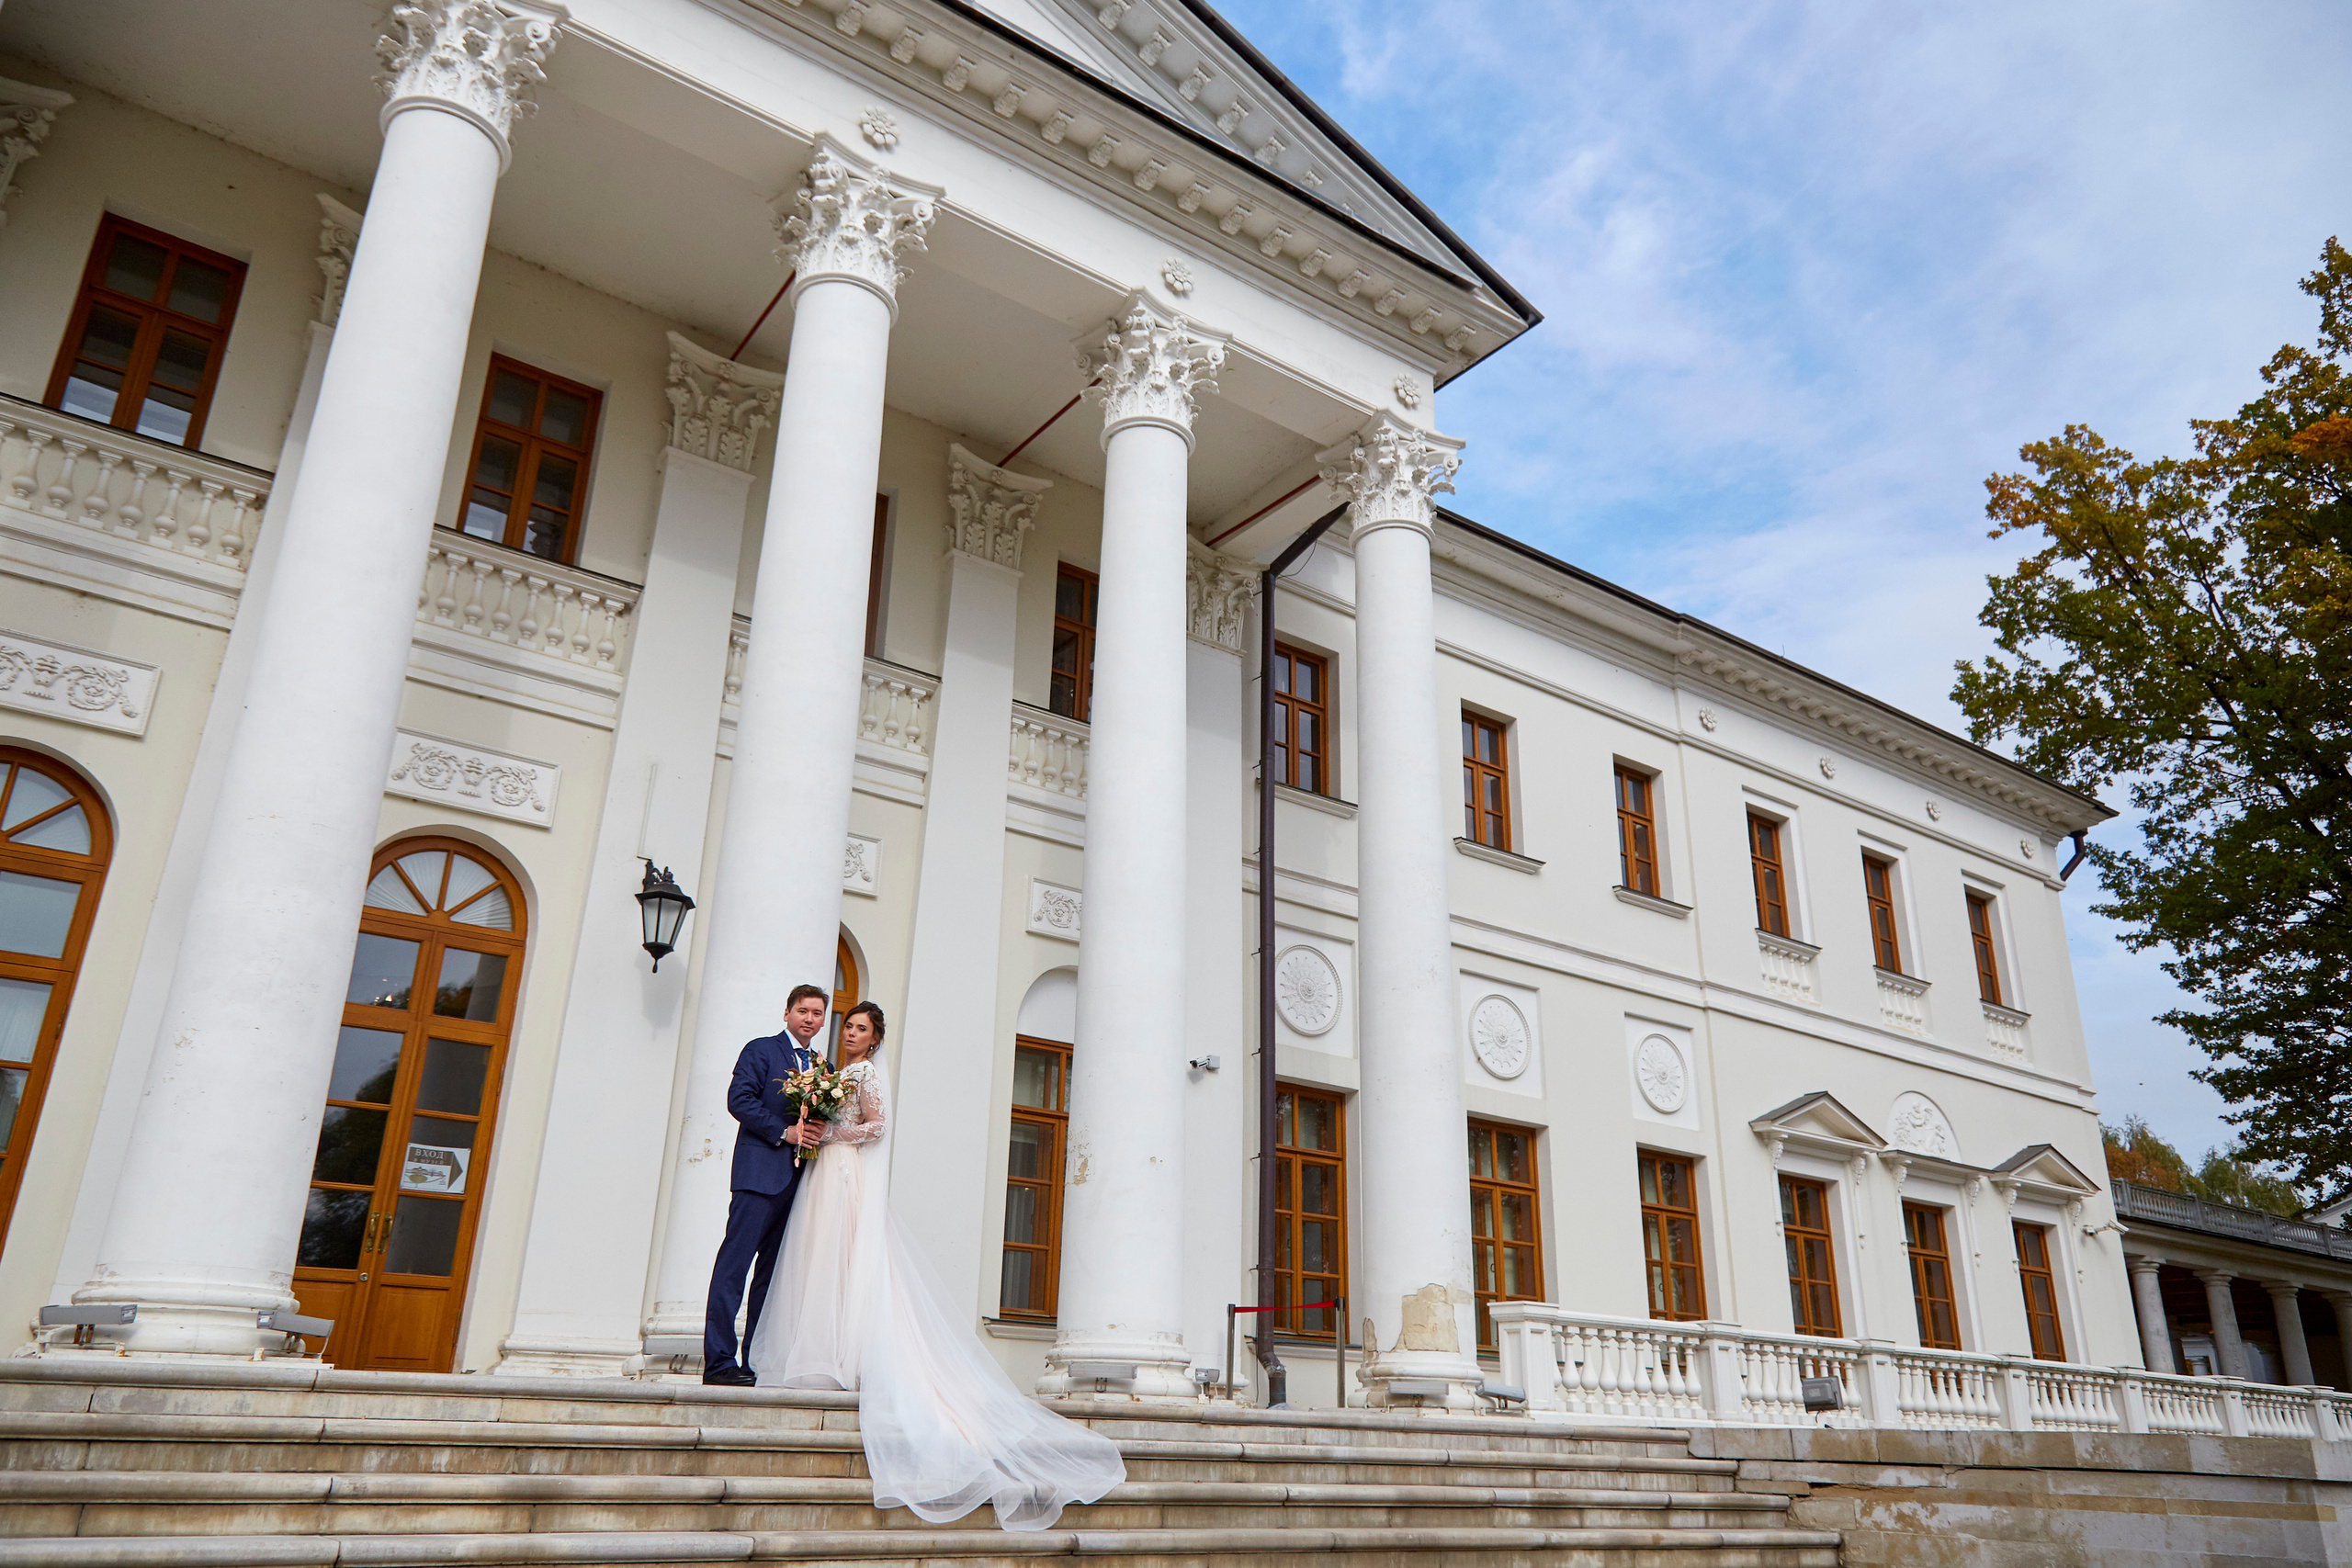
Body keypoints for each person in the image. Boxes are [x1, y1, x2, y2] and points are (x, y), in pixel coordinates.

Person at [750, 1001, 1125, 1530]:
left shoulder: (860, 1074)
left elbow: (876, 1126)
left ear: (874, 1041)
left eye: (860, 1029)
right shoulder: (830, 1073)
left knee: (840, 1256)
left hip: (841, 1172)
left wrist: (830, 1134)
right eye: (848, 1027)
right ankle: (822, 1349)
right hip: (823, 1174)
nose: (851, 1035)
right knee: (819, 1259)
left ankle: (842, 1353)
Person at [700, 984, 831, 1386]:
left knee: (771, 1279)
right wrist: (784, 1133)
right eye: (803, 1011)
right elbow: (739, 1100)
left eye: (818, 1013)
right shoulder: (762, 1050)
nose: (810, 1019)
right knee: (733, 1268)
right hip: (758, 1178)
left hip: (797, 1184)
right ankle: (719, 1363)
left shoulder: (823, 1068)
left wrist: (819, 1131)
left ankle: (753, 1362)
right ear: (787, 1013)